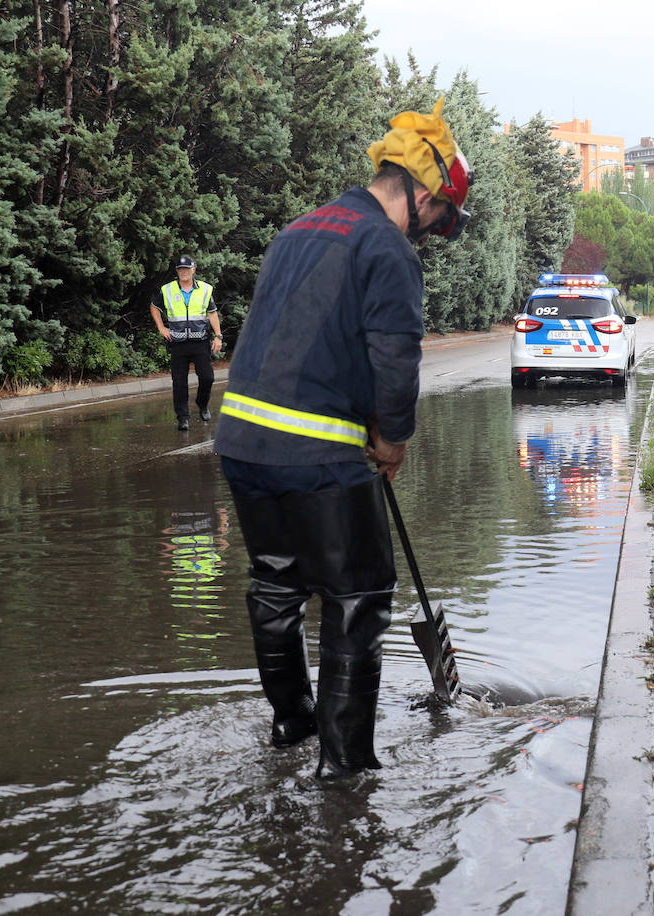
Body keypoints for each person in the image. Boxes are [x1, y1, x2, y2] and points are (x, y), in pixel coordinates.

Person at [214, 99, 471, 778]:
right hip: (318, 451)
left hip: (242, 443)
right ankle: (346, 768)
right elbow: (394, 360)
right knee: (358, 596)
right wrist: (393, 440)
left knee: (276, 582)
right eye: (440, 219)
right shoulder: (385, 248)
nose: (433, 235)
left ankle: (292, 724)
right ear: (421, 193)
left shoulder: (300, 229)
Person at [150, 255, 222, 431]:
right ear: (177, 272)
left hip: (200, 341)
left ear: (193, 270)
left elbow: (212, 313)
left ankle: (202, 403)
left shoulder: (205, 289)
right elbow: (154, 306)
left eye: (187, 269)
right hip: (178, 342)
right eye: (180, 270)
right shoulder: (167, 290)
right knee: (179, 382)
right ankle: (183, 418)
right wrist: (161, 328)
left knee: (207, 377)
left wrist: (218, 336)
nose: (183, 272)